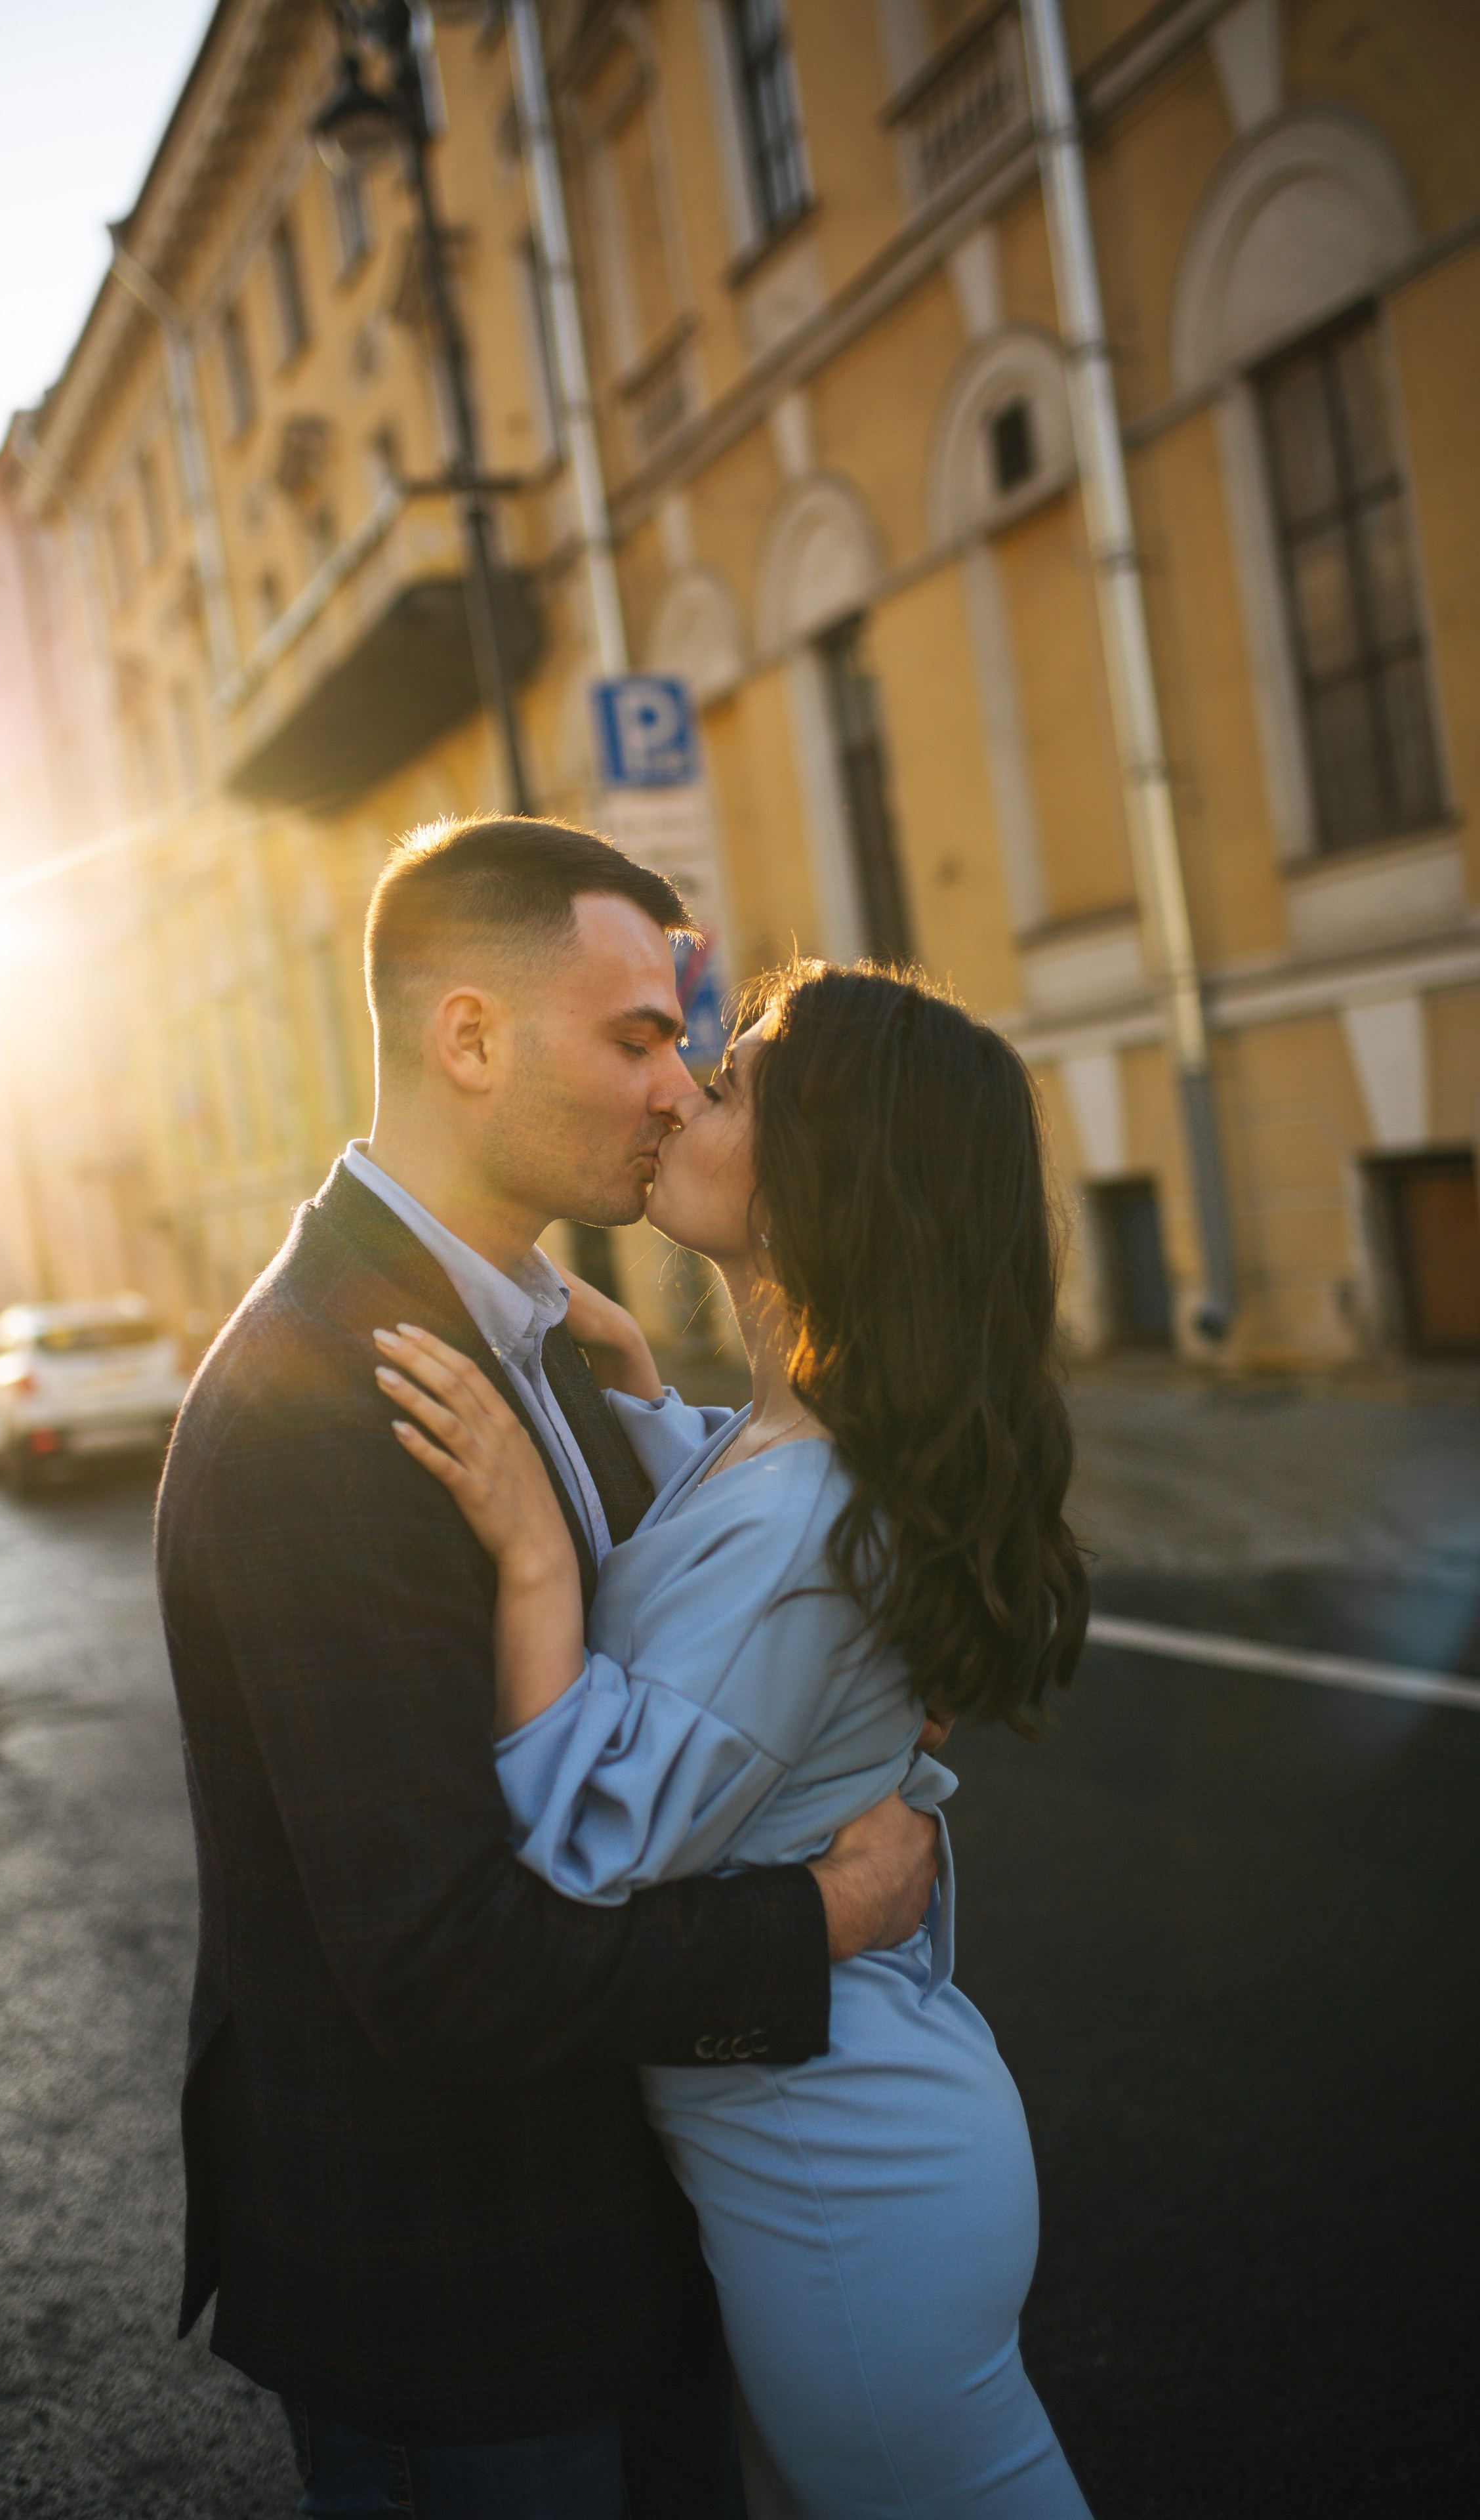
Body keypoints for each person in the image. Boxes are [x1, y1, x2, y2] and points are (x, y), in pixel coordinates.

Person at [154, 818, 943, 2519]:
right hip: (463, 2306)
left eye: (683, 1043)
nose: (677, 1088)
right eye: (639, 1037)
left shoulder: (552, 1344)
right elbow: (442, 1968)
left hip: (635, 2261)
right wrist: (825, 1918)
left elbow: (728, 1633)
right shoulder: (317, 1405)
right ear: (468, 1037)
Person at [375, 958, 1095, 2519]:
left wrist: (532, 1561)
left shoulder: (810, 1520)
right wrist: (628, 1371)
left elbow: (590, 1845)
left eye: (739, 1076)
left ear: (823, 1172)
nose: (688, 1086)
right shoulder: (797, 1449)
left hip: (844, 2177)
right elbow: (718, 1522)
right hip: (852, 2134)